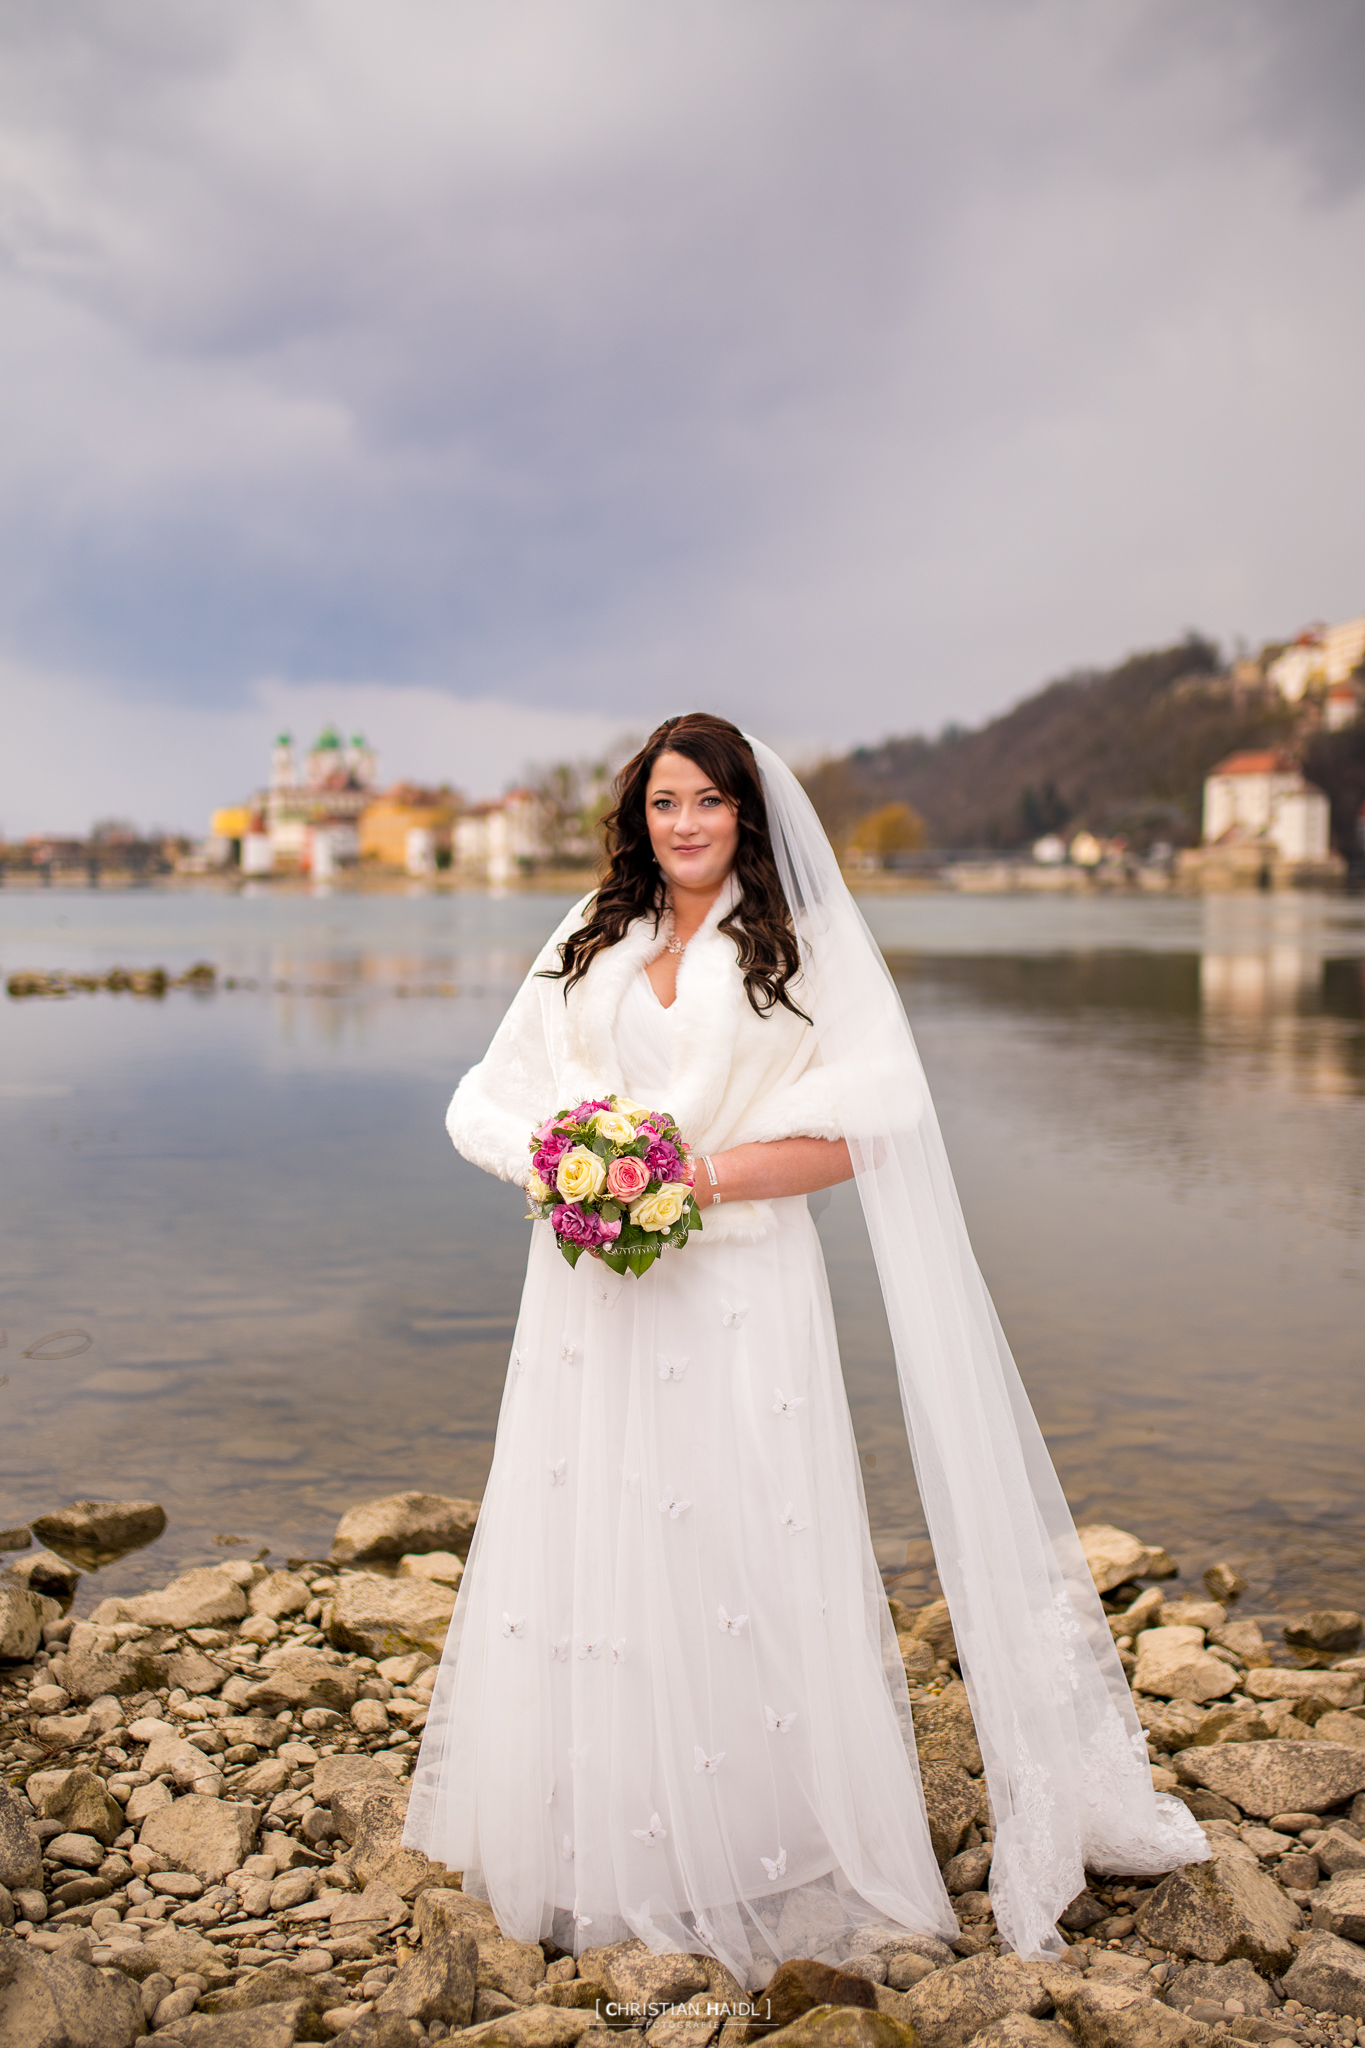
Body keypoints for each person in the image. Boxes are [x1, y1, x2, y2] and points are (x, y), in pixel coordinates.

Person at [404, 714, 1204, 1985]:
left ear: (748, 816)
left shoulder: (801, 948)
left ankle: (752, 1839)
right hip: (589, 1290)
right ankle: (585, 1837)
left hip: (737, 1290)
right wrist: (570, 1171)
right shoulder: (589, 935)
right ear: (637, 814)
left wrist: (688, 1178)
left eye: (708, 803)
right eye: (664, 802)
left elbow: (869, 1124)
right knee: (590, 1532)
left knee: (728, 1538)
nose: (684, 825)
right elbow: (480, 1097)